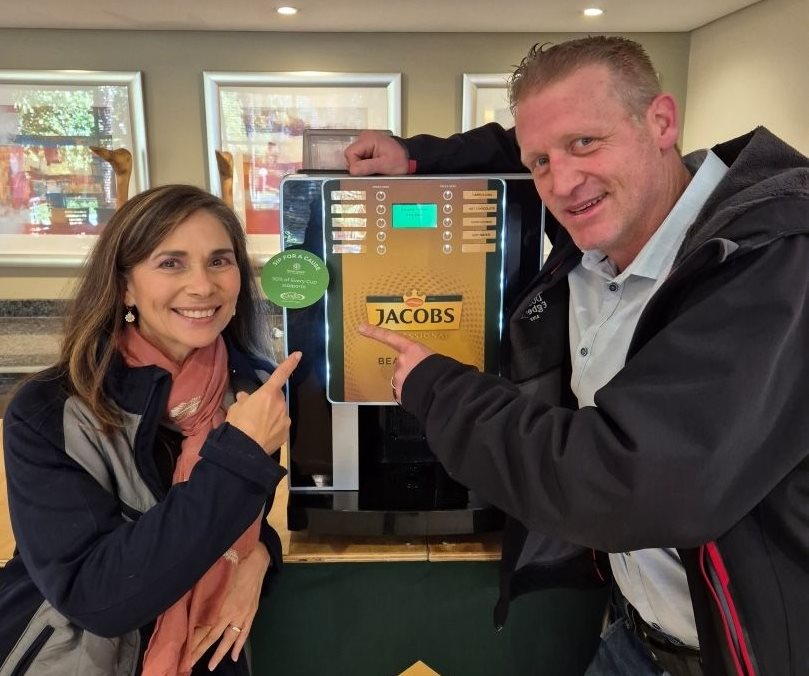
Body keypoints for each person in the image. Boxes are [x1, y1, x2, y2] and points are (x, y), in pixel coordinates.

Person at [347, 36, 809, 676]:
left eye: (586, 144)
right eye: (540, 162)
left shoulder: (773, 259)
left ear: (661, 121)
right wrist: (418, 157)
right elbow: (530, 141)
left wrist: (437, 389)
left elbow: (630, 481)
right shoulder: (598, 239)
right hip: (638, 635)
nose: (561, 182)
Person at [0, 184, 301, 676]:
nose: (203, 286)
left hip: (209, 655)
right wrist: (240, 458)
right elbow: (97, 596)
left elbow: (236, 517)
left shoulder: (253, 389)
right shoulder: (49, 410)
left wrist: (260, 557)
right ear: (124, 285)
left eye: (219, 261)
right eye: (171, 263)